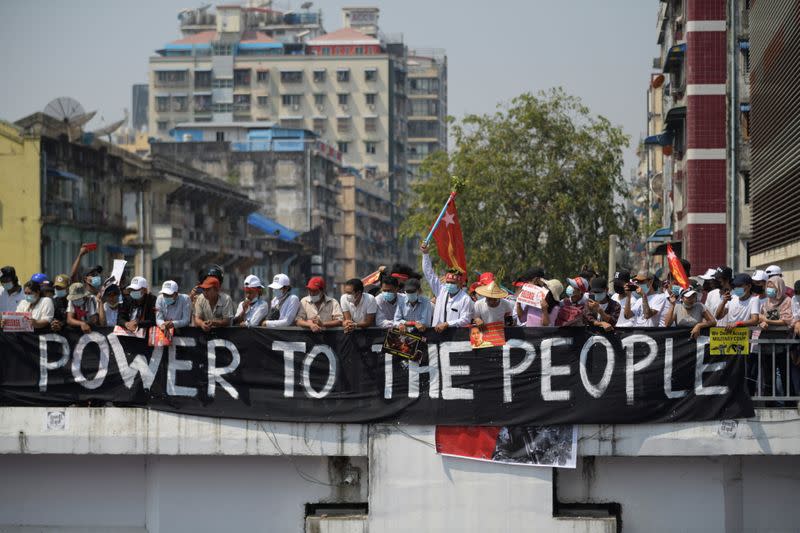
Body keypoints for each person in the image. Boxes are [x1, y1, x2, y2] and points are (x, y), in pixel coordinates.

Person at [420, 241, 474, 332]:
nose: (449, 285)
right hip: (436, 337)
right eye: (448, 282)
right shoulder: (441, 290)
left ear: (460, 284)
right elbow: (428, 273)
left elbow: (465, 320)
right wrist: (425, 254)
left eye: (453, 283)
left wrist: (448, 324)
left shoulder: (465, 299)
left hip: (454, 340)